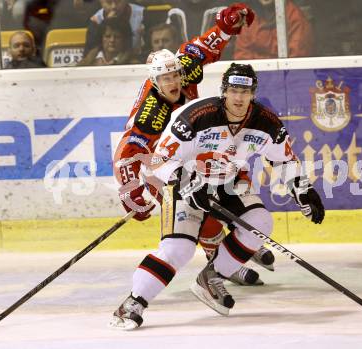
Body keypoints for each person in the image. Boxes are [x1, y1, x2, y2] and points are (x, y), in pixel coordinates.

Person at [111, 62, 325, 328]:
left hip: (228, 181)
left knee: (260, 222)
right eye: (233, 90)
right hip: (183, 180)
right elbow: (159, 160)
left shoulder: (266, 123)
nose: (238, 98)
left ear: (253, 94)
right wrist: (186, 181)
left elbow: (284, 160)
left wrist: (303, 190)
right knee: (179, 249)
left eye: (244, 92)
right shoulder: (196, 115)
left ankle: (210, 277)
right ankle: (133, 303)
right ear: (224, 91)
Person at [110, 4, 279, 330]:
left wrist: (227, 26)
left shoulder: (183, 69)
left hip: (198, 148)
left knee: (236, 187)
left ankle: (231, 255)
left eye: (175, 75)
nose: (173, 82)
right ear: (154, 81)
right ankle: (216, 262)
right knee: (194, 220)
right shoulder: (152, 111)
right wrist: (134, 192)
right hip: (166, 162)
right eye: (165, 78)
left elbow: (201, 48)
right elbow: (129, 152)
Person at [233, 0, 313, 59]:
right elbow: (241, 56)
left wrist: (257, 58)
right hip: (257, 77)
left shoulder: (294, 16)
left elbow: (296, 59)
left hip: (289, 78)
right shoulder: (250, 17)